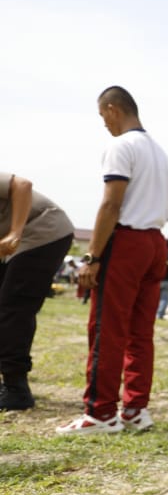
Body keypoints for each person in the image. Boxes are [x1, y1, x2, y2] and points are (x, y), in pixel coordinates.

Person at [59, 86, 168, 435]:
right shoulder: (160, 153)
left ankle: (101, 412)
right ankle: (136, 409)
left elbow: (111, 203)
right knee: (140, 332)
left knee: (106, 329)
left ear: (112, 109)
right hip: (155, 242)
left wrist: (92, 256)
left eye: (102, 117)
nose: (103, 125)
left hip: (126, 241)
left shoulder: (120, 146)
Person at [0, 172, 75, 410]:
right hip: (14, 245)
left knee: (13, 307)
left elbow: (22, 185)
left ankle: (16, 388)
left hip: (43, 230)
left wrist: (14, 232)